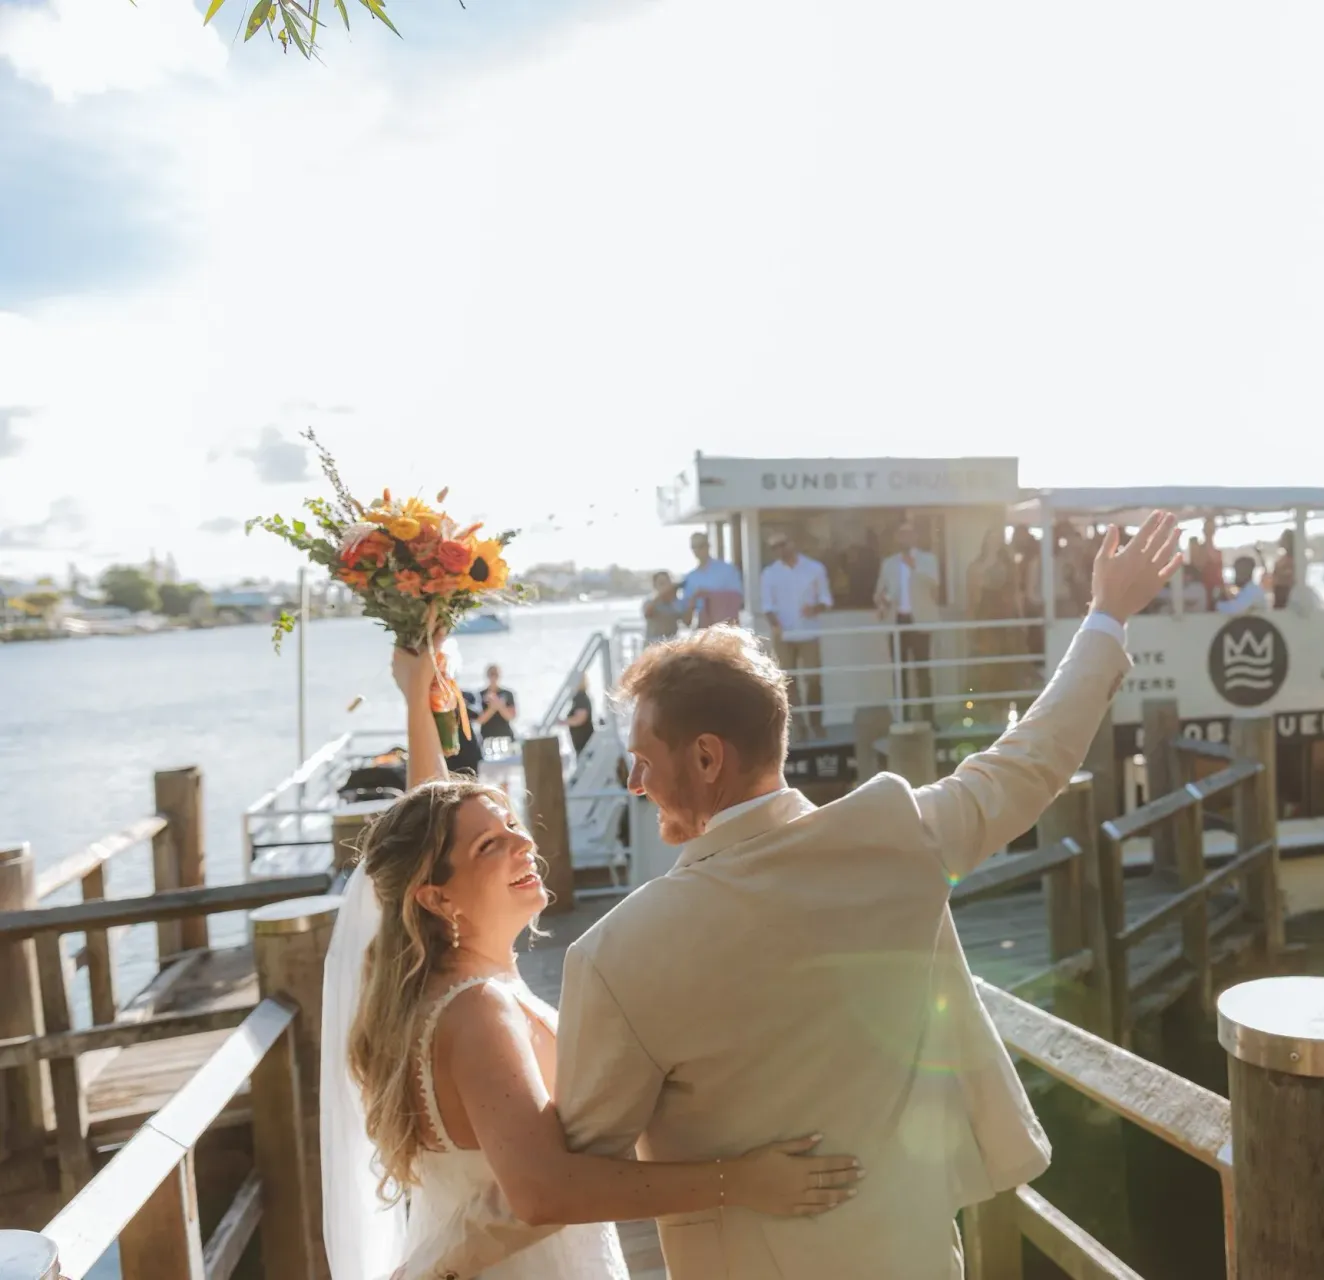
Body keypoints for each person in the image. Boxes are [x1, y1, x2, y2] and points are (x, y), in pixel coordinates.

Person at [396, 513, 1183, 1280]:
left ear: (707, 758)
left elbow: (562, 1177)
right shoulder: (899, 836)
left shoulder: (617, 951)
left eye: (640, 762)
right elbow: (1033, 760)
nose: (634, 785)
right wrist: (1106, 615)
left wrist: (431, 1262)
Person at [318, 640, 864, 1280]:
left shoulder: (446, 990)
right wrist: (741, 1181)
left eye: (513, 824)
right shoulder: (477, 1011)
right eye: (492, 845)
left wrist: (420, 696)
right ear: (436, 898)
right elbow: (542, 1192)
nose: (523, 843)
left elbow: (430, 824)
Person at [760, 534, 834, 739]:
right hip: (783, 635)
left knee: (814, 680)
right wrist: (775, 624)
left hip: (809, 632)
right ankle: (798, 728)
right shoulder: (769, 573)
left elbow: (826, 600)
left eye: (782, 544)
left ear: (793, 543)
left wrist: (815, 608)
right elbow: (767, 606)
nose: (778, 550)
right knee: (787, 682)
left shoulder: (815, 568)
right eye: (774, 547)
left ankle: (817, 725)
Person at [872, 520, 941, 722]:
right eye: (901, 534)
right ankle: (903, 717)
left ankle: (929, 719)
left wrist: (915, 567)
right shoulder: (889, 563)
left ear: (915, 537)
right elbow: (879, 592)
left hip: (920, 621)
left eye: (909, 533)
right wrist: (881, 600)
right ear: (897, 538)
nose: (905, 537)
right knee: (899, 671)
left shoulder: (928, 559)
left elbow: (935, 584)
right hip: (897, 621)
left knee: (923, 671)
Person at [965, 527, 1018, 698]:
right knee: (987, 659)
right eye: (992, 537)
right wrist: (971, 622)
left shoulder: (1009, 565)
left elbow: (1015, 592)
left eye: (998, 538)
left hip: (1006, 616)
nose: (995, 541)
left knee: (1007, 661)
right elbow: (972, 595)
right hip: (985, 615)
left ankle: (1004, 702)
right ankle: (985, 699)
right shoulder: (976, 566)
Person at [681, 531, 745, 628]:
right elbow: (687, 613)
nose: (698, 550)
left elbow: (738, 598)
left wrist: (709, 595)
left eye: (701, 546)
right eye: (694, 547)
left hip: (727, 627)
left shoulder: (727, 569)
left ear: (708, 546)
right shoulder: (690, 578)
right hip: (704, 629)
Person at [477, 665, 517, 749]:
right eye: (492, 674)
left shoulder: (508, 694)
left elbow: (511, 717)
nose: (494, 677)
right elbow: (479, 720)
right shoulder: (480, 695)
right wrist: (492, 708)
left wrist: (499, 706)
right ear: (487, 675)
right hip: (487, 739)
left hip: (506, 737)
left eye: (496, 674)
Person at [644, 570, 682, 644]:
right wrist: (661, 595)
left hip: (672, 644)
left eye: (668, 582)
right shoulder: (649, 601)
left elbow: (687, 622)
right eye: (661, 583)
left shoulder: (676, 602)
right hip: (653, 644)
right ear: (655, 585)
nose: (665, 586)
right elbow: (647, 614)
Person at [565, 675, 595, 756]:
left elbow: (579, 719)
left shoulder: (580, 698)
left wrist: (562, 722)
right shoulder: (579, 698)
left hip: (585, 744)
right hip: (582, 744)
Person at [1269, 530, 1298, 610]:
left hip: (1288, 595)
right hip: (1278, 595)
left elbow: (1291, 577)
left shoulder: (1297, 559)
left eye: (1285, 539)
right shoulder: (1281, 559)